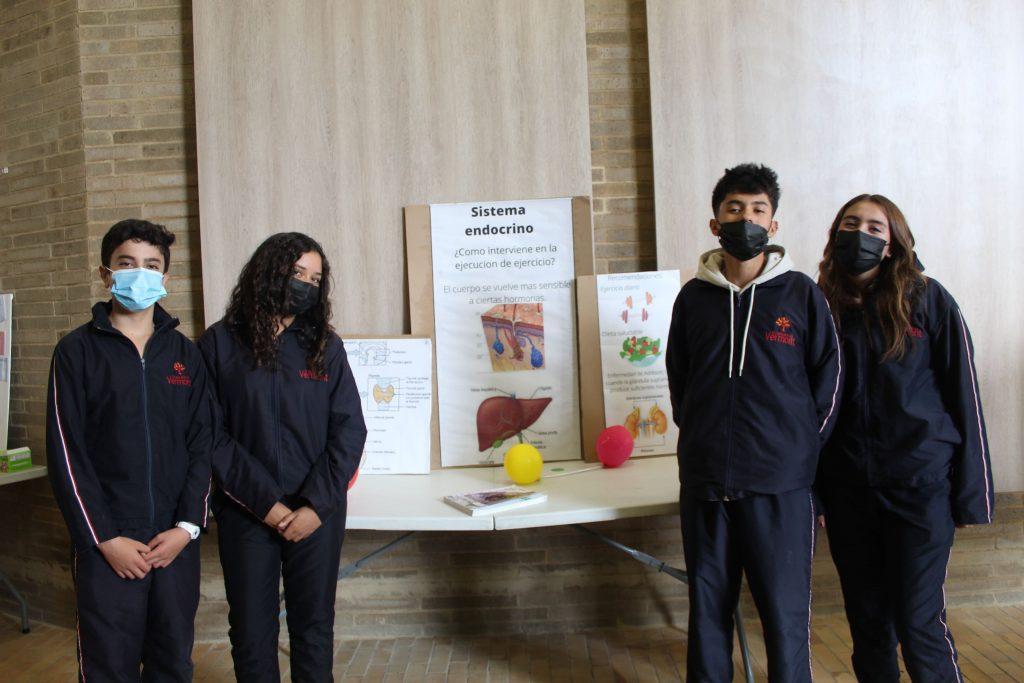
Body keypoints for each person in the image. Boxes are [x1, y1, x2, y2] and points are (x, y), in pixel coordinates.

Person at [665, 163, 843, 681]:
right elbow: (680, 382)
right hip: (705, 485)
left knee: (784, 617)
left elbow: (829, 383)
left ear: (773, 224)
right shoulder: (692, 299)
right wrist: (703, 439)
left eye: (757, 209)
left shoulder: (801, 294)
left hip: (780, 487)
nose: (746, 218)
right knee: (708, 614)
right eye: (734, 209)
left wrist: (796, 454)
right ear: (715, 223)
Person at [816, 194, 993, 682]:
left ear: (892, 244)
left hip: (920, 488)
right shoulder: (820, 305)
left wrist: (972, 495)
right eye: (851, 223)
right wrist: (815, 492)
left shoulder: (928, 299)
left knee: (919, 622)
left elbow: (964, 395)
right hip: (849, 493)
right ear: (835, 234)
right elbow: (807, 409)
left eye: (875, 227)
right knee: (869, 625)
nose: (861, 234)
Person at [47, 219, 212, 681]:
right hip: (108, 544)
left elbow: (203, 444)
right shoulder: (75, 352)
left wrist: (187, 527)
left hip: (173, 542)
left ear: (165, 278)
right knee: (109, 666)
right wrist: (104, 538)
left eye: (151, 265)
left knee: (172, 662)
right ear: (106, 274)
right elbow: (66, 452)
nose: (140, 273)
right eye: (127, 263)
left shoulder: (185, 355)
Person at [199, 232, 367, 682]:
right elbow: (210, 435)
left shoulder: (324, 344)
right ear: (268, 271)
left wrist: (314, 506)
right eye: (297, 273)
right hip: (247, 512)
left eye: (315, 279)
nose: (306, 285)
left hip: (316, 514)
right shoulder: (219, 343)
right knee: (251, 632)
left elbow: (350, 430)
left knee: (314, 628)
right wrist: (267, 505)